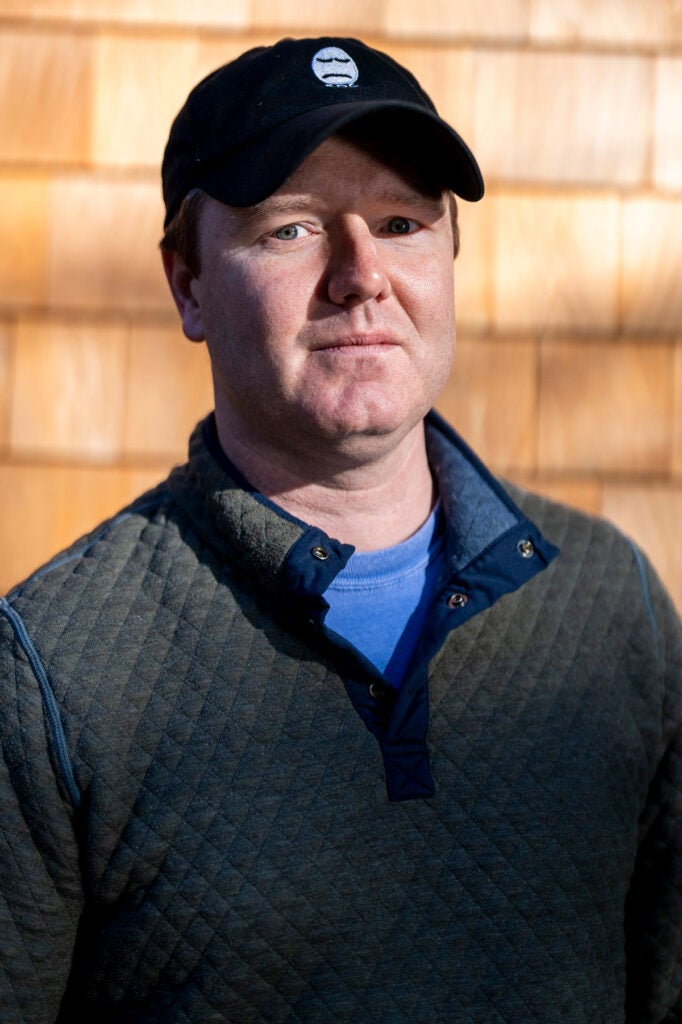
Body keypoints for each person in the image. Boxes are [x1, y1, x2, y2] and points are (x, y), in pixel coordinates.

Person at [1, 35, 680, 1024]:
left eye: (402, 221)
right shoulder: (54, 669)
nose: (361, 275)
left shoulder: (606, 604)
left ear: (449, 260)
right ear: (187, 282)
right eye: (291, 229)